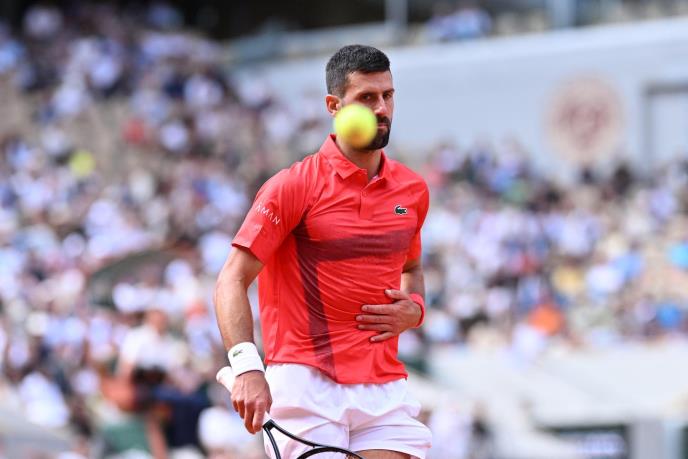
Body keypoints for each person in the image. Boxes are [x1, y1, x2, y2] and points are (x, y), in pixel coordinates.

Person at [214, 44, 432, 458]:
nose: (381, 108)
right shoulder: (292, 186)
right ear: (334, 105)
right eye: (366, 97)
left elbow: (413, 268)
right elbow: (231, 279)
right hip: (307, 384)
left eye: (387, 95)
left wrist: (415, 309)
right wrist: (246, 367)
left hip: (383, 386)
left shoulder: (413, 190)